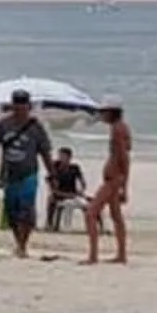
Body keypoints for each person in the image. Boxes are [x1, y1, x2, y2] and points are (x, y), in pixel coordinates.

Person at [0, 88, 54, 258]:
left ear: (29, 107)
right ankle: (18, 241)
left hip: (29, 174)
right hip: (8, 174)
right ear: (12, 106)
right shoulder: (3, 124)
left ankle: (23, 245)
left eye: (23, 107)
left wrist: (52, 173)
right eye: (16, 106)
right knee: (12, 212)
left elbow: (45, 152)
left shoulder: (36, 127)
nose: (19, 110)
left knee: (26, 211)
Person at [83, 100, 132, 266]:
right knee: (116, 216)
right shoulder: (121, 127)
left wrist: (124, 186)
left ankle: (93, 255)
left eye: (104, 112)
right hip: (115, 177)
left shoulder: (118, 129)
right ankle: (121, 254)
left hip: (114, 179)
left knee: (91, 213)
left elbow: (123, 158)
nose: (102, 115)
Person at [46, 147, 88, 232]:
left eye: (63, 156)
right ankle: (50, 224)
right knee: (51, 199)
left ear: (69, 157)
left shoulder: (74, 168)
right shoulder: (55, 167)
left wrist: (81, 190)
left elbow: (83, 182)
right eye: (60, 156)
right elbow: (52, 186)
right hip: (60, 194)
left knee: (91, 202)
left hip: (73, 193)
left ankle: (97, 226)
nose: (61, 158)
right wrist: (66, 194)